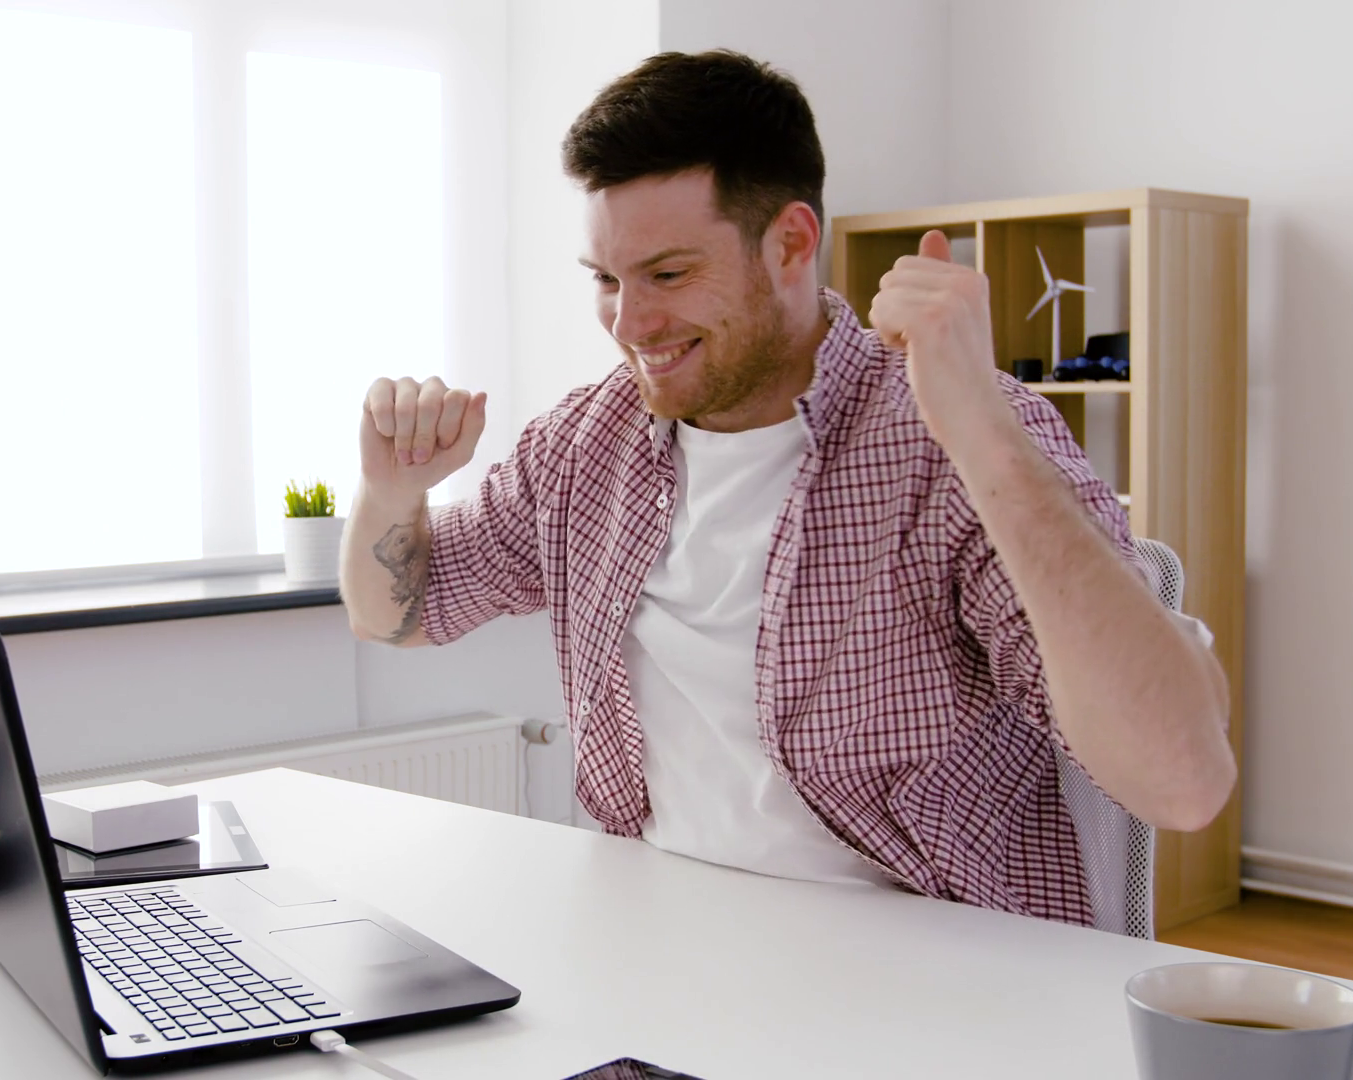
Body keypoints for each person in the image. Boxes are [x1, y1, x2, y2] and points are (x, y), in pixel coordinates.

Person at [337, 50, 1234, 927]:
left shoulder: (948, 439)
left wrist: (984, 436)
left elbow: (1184, 782)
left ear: (792, 245)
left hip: (926, 973)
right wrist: (390, 491)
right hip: (662, 942)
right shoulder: (586, 444)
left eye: (669, 274)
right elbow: (396, 617)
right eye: (606, 280)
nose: (630, 323)